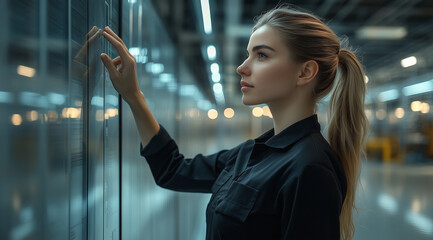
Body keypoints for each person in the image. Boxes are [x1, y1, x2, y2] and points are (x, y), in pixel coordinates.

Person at [100, 4, 368, 240]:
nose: (242, 67)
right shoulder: (251, 154)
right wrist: (133, 96)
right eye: (248, 54)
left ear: (305, 72)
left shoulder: (311, 169)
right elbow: (173, 170)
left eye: (261, 55)